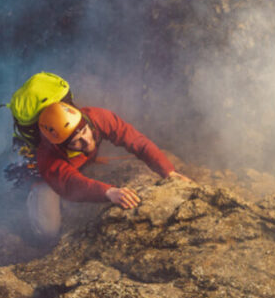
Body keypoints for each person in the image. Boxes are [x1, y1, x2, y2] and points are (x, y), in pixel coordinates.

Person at [27, 101, 192, 239]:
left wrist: (169, 172)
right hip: (45, 178)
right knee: (48, 231)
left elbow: (136, 141)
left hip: (74, 163)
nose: (86, 141)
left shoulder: (96, 117)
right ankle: (31, 197)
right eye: (76, 142)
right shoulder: (47, 156)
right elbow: (70, 184)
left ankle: (83, 162)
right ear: (61, 145)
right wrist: (108, 192)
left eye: (85, 131)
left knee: (90, 157)